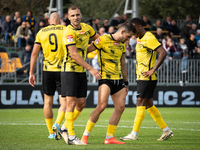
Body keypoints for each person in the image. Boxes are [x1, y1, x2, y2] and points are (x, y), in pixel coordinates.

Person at [81, 22, 136, 145]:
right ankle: (85, 136)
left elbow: (123, 64)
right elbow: (84, 52)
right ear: (122, 32)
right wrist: (90, 69)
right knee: (101, 106)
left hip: (119, 80)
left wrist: (126, 83)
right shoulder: (102, 39)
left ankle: (109, 137)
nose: (128, 40)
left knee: (120, 107)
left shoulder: (122, 45)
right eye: (128, 37)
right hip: (105, 78)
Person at [120, 17, 173, 141]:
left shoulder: (149, 37)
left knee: (140, 102)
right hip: (141, 77)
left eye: (133, 28)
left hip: (147, 77)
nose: (132, 31)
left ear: (139, 27)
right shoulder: (139, 39)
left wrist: (153, 69)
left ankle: (134, 134)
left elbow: (163, 53)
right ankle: (166, 130)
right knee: (149, 105)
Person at [59, 5, 101, 145]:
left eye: (77, 15)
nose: (75, 18)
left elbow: (98, 40)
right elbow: (74, 54)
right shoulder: (68, 32)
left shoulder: (87, 28)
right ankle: (71, 136)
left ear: (81, 15)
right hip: (69, 70)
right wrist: (91, 68)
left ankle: (64, 127)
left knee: (81, 104)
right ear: (68, 17)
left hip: (81, 71)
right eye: (72, 16)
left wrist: (101, 44)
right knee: (70, 103)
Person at [29, 12, 67, 140]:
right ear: (60, 20)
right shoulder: (66, 29)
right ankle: (58, 123)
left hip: (47, 70)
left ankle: (51, 132)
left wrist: (31, 73)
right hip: (63, 70)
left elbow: (34, 54)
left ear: (49, 20)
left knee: (47, 103)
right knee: (65, 102)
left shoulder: (41, 32)